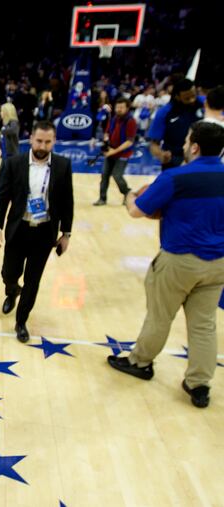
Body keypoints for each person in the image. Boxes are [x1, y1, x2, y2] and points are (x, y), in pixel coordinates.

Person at [108, 121, 224, 408]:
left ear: (194, 146)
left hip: (179, 261)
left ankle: (140, 362)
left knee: (160, 316)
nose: (184, 145)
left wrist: (130, 196)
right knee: (204, 325)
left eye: (187, 140)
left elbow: (137, 211)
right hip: (218, 264)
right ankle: (199, 385)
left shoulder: (175, 178)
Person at [0, 120, 74, 342]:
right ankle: (11, 290)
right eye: (39, 141)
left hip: (44, 234)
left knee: (33, 280)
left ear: (54, 141)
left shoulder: (63, 166)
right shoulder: (13, 163)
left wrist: (66, 234)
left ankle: (21, 321)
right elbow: (2, 197)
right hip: (18, 230)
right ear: (31, 139)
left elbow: (68, 201)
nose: (42, 146)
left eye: (48, 142)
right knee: (9, 273)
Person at [147, 78, 205, 170]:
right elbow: (154, 144)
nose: (192, 100)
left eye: (194, 95)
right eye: (187, 98)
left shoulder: (205, 103)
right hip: (175, 159)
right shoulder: (164, 112)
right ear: (177, 96)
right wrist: (161, 155)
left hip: (202, 158)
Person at [93, 97, 136, 206]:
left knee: (117, 175)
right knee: (104, 175)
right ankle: (102, 199)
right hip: (111, 151)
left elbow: (129, 142)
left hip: (123, 153)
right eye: (117, 107)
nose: (119, 109)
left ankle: (127, 193)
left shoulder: (131, 121)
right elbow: (107, 132)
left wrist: (114, 151)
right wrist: (106, 141)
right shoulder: (113, 118)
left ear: (127, 108)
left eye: (121, 107)